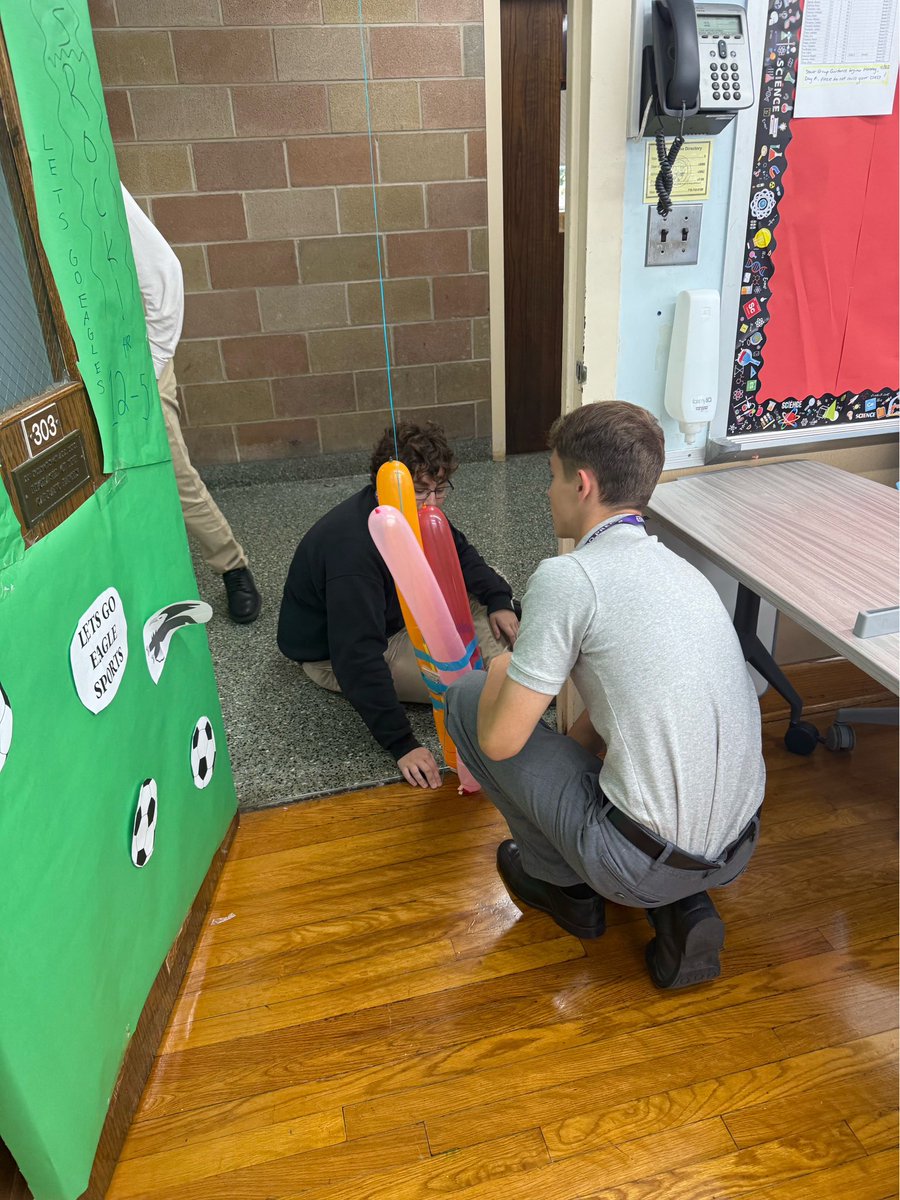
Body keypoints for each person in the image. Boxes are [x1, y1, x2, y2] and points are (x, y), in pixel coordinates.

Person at [445, 401, 765, 990]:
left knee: (467, 700)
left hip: (639, 863)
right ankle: (684, 903)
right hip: (740, 845)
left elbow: (499, 738)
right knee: (614, 770)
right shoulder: (680, 571)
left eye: (552, 476)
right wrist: (566, 761)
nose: (548, 492)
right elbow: (627, 695)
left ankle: (563, 888)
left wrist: (498, 669)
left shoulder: (570, 577)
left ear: (583, 483)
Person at [277, 421, 519, 788]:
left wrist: (498, 599)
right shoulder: (352, 553)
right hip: (344, 652)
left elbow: (459, 554)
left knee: (503, 624)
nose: (433, 502)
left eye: (440, 489)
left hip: (403, 609)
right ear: (385, 485)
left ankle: (523, 672)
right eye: (423, 491)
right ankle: (521, 687)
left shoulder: (414, 506)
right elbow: (355, 655)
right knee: (468, 687)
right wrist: (402, 743)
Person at [121, 186, 261, 624]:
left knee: (177, 478)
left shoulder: (77, 162)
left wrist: (153, 361)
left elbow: (164, 270)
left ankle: (232, 566)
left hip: (137, 362)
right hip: (79, 372)